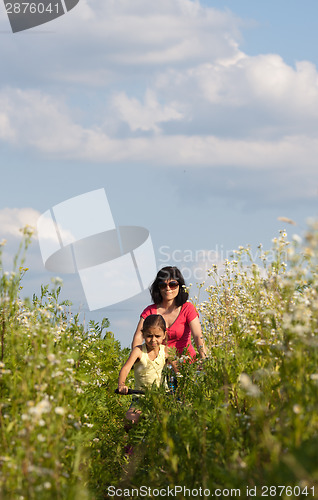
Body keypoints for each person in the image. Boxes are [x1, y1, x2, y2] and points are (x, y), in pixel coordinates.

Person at [132, 266, 207, 363]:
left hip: (186, 365)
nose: (168, 288)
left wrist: (204, 360)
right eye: (163, 285)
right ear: (158, 288)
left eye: (172, 284)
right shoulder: (149, 311)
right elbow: (138, 336)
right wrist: (137, 359)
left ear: (180, 286)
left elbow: (197, 336)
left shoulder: (188, 308)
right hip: (158, 365)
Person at [118, 314, 169, 424]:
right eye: (149, 336)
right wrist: (121, 384)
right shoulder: (138, 351)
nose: (153, 340)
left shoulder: (166, 351)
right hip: (140, 398)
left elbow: (178, 370)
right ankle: (133, 440)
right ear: (143, 334)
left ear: (164, 335)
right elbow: (126, 369)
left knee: (167, 422)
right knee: (129, 421)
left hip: (162, 397)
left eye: (157, 336)